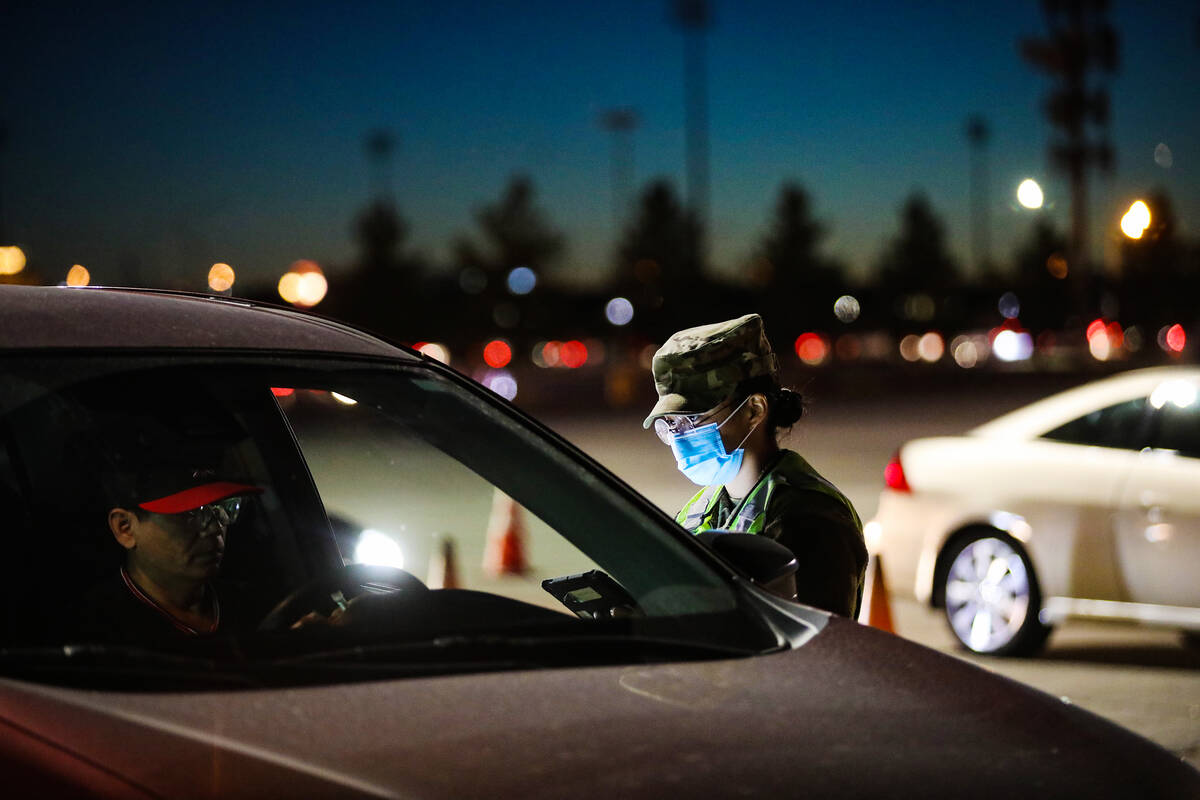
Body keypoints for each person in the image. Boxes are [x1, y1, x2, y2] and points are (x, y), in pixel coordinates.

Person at [644, 313, 867, 617]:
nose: (679, 435)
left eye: (692, 418)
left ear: (753, 409)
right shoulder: (697, 512)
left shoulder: (812, 517)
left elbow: (818, 650)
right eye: (670, 423)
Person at [78, 452, 265, 647]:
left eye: (223, 507)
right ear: (125, 528)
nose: (215, 528)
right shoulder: (98, 634)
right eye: (190, 513)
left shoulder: (254, 606)